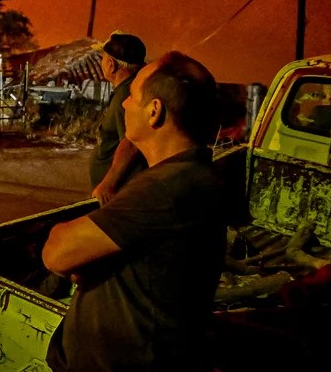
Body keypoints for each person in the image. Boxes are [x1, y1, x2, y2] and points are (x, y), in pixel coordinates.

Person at [42, 51, 227, 372]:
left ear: (154, 111)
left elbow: (57, 253)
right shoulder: (190, 175)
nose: (125, 103)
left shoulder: (167, 188)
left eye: (133, 95)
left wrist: (73, 248)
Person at [89, 31, 148, 204]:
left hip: (118, 194)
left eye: (102, 58)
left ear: (111, 64)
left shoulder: (126, 94)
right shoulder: (132, 88)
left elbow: (131, 140)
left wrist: (109, 184)